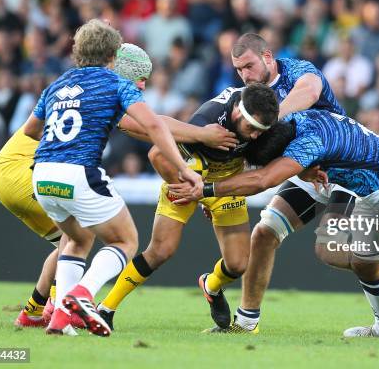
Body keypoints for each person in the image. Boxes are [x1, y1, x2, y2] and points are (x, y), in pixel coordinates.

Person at [0, 42, 236, 329]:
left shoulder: (74, 83)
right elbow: (149, 126)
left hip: (9, 172)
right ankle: (63, 307)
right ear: (121, 69)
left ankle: (35, 312)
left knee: (68, 241)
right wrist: (202, 135)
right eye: (140, 75)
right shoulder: (106, 89)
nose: (143, 84)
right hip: (26, 169)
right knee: (89, 238)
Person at [169, 109, 379, 342]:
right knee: (273, 235)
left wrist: (205, 191)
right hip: (334, 175)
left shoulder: (306, 136)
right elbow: (264, 168)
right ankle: (249, 321)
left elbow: (264, 179)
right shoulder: (290, 122)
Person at [222, 33, 379, 333]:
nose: (245, 75)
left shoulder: (299, 71)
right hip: (305, 171)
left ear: (268, 58)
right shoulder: (247, 98)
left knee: (329, 250)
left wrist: (273, 118)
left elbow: (309, 93)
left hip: (342, 171)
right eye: (238, 70)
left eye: (248, 66)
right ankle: (246, 323)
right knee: (263, 234)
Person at [23, 19, 203, 337]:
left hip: (42, 175)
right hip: (78, 172)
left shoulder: (57, 84)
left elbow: (30, 130)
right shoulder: (115, 83)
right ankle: (83, 294)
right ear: (113, 55)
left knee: (78, 240)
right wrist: (185, 169)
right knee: (125, 240)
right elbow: (154, 126)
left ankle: (60, 320)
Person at [96, 83, 279, 331]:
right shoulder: (207, 120)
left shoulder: (263, 122)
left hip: (227, 185)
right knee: (161, 250)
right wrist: (186, 188)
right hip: (185, 179)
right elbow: (156, 156)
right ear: (238, 112)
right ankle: (105, 309)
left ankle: (211, 286)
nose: (257, 135)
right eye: (252, 129)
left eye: (262, 130)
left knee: (237, 264)